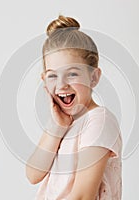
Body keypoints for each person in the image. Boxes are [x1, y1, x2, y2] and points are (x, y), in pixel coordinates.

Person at [25, 15, 122, 200]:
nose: (61, 85)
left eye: (72, 74)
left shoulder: (99, 121)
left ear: (93, 77)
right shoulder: (62, 123)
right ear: (44, 81)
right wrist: (56, 127)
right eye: (53, 76)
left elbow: (83, 196)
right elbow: (33, 174)